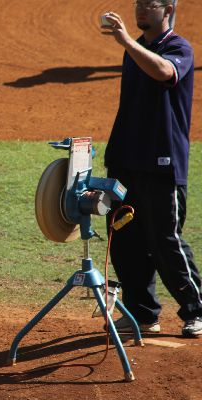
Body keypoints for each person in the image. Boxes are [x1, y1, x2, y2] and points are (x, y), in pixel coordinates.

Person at [101, 0, 202, 337]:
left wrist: (127, 42)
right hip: (126, 160)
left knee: (164, 241)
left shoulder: (178, 47)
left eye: (150, 4)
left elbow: (165, 72)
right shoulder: (135, 50)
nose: (141, 9)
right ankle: (143, 315)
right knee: (124, 239)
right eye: (139, 3)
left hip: (162, 162)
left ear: (168, 9)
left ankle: (196, 309)